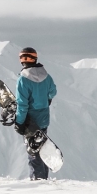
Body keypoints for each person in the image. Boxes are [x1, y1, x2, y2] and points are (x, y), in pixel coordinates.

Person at [15, 47, 56, 180]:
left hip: (30, 121)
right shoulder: (47, 76)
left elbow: (22, 104)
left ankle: (37, 182)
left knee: (33, 152)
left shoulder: (23, 79)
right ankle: (43, 179)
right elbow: (53, 92)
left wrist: (19, 122)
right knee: (42, 148)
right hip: (44, 118)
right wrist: (47, 98)